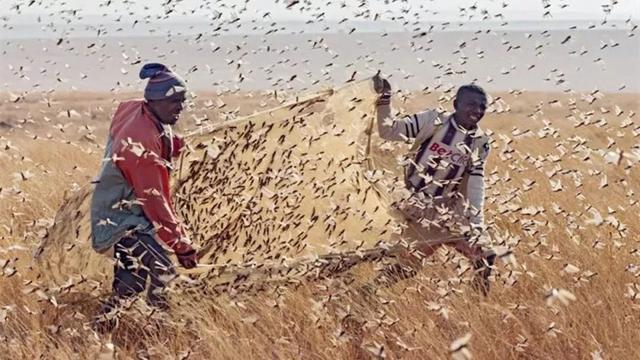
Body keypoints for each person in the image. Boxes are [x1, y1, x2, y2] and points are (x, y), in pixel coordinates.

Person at [90, 63, 197, 327]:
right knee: (163, 271)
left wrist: (173, 142)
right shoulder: (141, 145)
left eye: (182, 101)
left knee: (130, 286)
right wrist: (181, 245)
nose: (180, 108)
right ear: (156, 101)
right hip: (122, 219)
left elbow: (153, 130)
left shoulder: (138, 109)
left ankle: (99, 331)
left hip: (124, 213)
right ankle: (162, 331)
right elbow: (155, 200)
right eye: (174, 102)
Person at [372, 74, 496, 294]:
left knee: (485, 255)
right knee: (408, 265)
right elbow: (388, 131)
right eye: (471, 104)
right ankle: (367, 293)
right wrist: (385, 99)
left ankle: (480, 310)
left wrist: (476, 223)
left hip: (449, 209)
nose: (477, 111)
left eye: (482, 106)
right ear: (456, 104)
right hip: (416, 206)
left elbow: (476, 184)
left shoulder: (480, 142)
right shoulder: (433, 121)